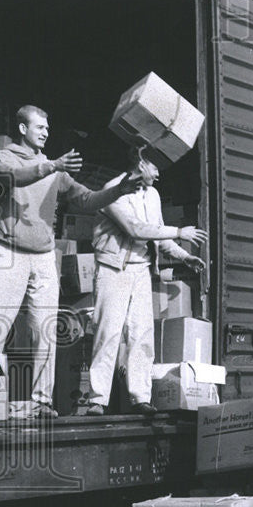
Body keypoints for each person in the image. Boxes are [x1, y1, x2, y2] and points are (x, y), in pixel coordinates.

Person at [0, 105, 143, 418]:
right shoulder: (6, 157)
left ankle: (41, 402)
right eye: (39, 127)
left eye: (47, 128)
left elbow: (88, 200)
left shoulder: (55, 170)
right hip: (7, 253)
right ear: (23, 129)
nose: (46, 132)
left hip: (43, 257)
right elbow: (14, 177)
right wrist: (52, 166)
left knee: (44, 331)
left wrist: (119, 189)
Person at [85, 148, 207, 415]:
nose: (159, 173)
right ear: (141, 163)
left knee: (142, 335)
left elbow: (158, 236)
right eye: (155, 167)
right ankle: (97, 399)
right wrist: (179, 231)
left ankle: (140, 397)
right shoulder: (113, 190)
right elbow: (136, 229)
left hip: (140, 270)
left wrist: (185, 256)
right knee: (108, 334)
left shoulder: (153, 195)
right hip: (113, 269)